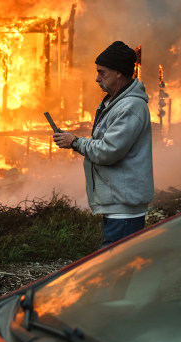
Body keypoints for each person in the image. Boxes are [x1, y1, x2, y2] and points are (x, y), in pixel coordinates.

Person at [53, 40, 154, 247]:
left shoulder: (130, 107)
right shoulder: (114, 103)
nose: (97, 78)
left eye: (102, 72)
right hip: (117, 204)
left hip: (123, 209)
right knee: (118, 270)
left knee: (116, 272)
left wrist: (75, 142)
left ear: (119, 72)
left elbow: (108, 151)